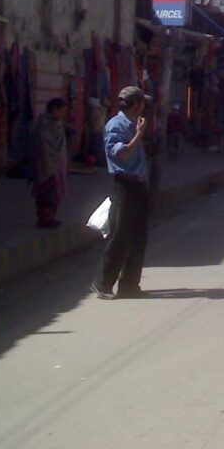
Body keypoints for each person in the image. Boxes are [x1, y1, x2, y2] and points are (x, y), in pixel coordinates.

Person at [91, 86, 151, 300]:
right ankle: (103, 283)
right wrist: (138, 136)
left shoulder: (133, 124)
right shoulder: (116, 125)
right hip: (124, 185)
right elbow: (122, 154)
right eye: (142, 102)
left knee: (138, 237)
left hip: (138, 184)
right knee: (120, 236)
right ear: (136, 104)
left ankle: (129, 285)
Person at [29, 97, 72, 229]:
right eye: (62, 111)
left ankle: (51, 218)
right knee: (45, 194)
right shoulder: (43, 125)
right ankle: (44, 219)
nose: (63, 114)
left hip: (57, 166)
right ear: (54, 109)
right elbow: (43, 146)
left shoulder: (58, 124)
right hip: (45, 165)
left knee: (55, 194)